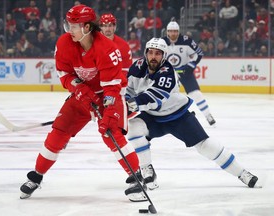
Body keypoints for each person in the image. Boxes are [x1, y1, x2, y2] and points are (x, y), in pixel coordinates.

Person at [19, 4, 142, 202]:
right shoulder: (65, 43)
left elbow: (112, 88)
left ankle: (137, 178)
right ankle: (37, 175)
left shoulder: (107, 49)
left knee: (111, 133)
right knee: (58, 132)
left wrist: (108, 111)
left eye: (73, 26)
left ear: (86, 27)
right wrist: (79, 89)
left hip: (107, 95)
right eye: (68, 25)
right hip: (81, 95)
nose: (69, 30)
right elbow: (64, 74)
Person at [125, 37, 260, 200]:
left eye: (158, 54)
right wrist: (119, 108)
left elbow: (153, 97)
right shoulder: (137, 67)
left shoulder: (167, 71)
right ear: (146, 53)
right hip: (153, 117)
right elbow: (129, 91)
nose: (153, 56)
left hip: (177, 115)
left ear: (164, 55)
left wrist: (127, 106)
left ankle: (242, 173)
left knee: (206, 146)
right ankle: (148, 170)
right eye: (151, 52)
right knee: (133, 127)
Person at [162, 21, 216, 126]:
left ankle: (208, 115)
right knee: (166, 97)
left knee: (196, 94)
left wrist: (190, 66)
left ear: (178, 32)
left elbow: (199, 53)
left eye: (175, 31)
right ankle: (166, 119)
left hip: (185, 73)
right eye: (171, 31)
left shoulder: (186, 41)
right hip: (168, 74)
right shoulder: (161, 42)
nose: (173, 33)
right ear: (167, 32)